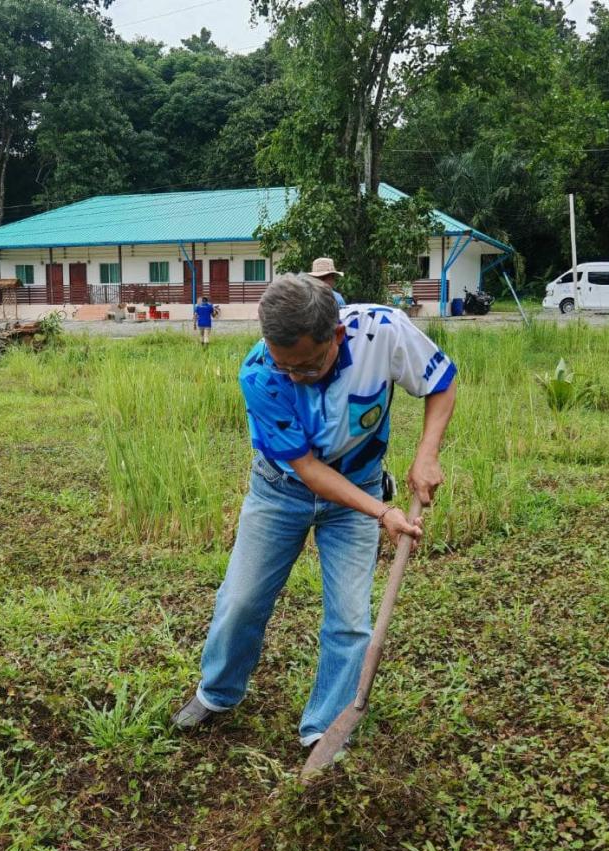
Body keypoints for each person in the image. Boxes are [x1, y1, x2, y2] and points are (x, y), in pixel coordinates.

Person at [172, 273, 457, 747]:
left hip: (359, 489)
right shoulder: (261, 372)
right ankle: (217, 693)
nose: (293, 377)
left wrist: (427, 452)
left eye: (305, 367)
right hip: (280, 491)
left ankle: (324, 729)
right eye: (286, 367)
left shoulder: (382, 331)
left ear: (336, 337)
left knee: (349, 620)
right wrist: (382, 513)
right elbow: (306, 468)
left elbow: (440, 382)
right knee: (241, 600)